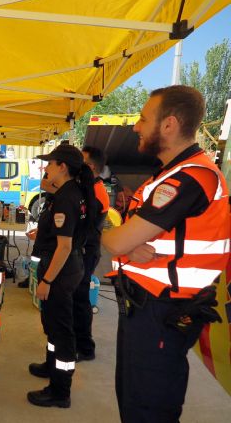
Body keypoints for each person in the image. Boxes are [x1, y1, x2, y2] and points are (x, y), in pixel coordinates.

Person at [101, 85, 230, 422]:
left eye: (144, 119)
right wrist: (126, 242)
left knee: (148, 409)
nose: (136, 127)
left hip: (163, 311)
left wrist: (118, 239)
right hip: (149, 307)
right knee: (133, 400)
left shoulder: (189, 178)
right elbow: (127, 241)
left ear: (169, 124)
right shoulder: (170, 175)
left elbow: (117, 242)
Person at [27, 144, 95, 409]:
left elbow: (64, 247)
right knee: (55, 326)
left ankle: (60, 391)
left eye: (50, 163)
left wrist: (46, 281)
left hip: (61, 270)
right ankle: (52, 368)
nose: (46, 168)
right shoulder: (70, 191)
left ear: (62, 167)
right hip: (67, 266)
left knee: (62, 331)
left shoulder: (66, 197)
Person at [72, 146, 109, 362]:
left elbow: (86, 226)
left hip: (88, 250)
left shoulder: (97, 191)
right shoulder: (89, 188)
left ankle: (85, 347)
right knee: (76, 297)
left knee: (80, 297)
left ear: (91, 167)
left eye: (81, 161)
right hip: (83, 248)